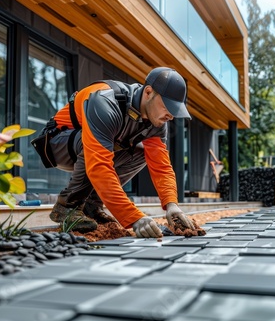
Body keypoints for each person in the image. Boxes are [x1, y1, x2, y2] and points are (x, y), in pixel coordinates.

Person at [47, 67, 195, 238]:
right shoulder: (104, 101)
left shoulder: (157, 123)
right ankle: (67, 206)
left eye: (175, 110)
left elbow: (162, 167)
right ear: (148, 92)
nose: (171, 115)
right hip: (58, 143)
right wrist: (134, 218)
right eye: (168, 107)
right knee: (92, 143)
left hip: (88, 150)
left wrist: (172, 205)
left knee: (141, 153)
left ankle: (91, 206)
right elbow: (99, 166)